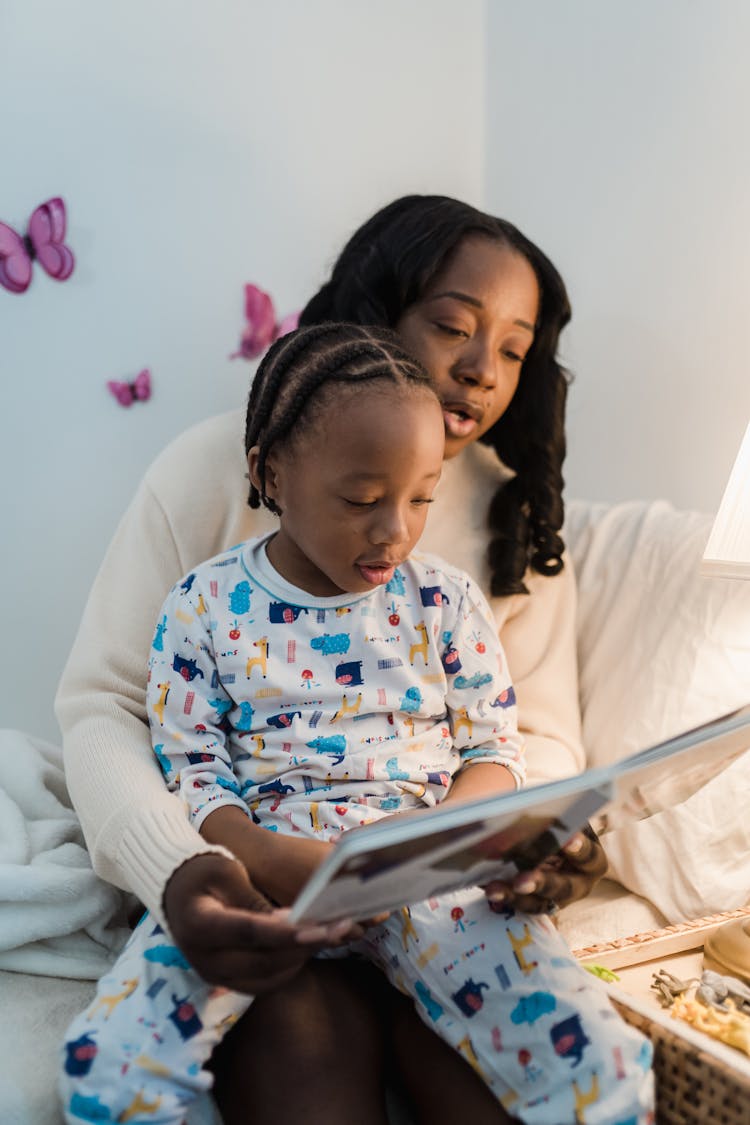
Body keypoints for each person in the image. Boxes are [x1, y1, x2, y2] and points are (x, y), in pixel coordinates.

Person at [55, 195, 608, 1122]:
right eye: (453, 327)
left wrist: (531, 840)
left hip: (439, 890)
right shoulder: (210, 477)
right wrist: (185, 867)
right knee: (307, 1059)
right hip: (265, 867)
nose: (481, 370)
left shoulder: (517, 524)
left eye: (514, 349)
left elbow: (532, 739)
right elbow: (110, 710)